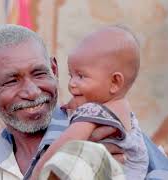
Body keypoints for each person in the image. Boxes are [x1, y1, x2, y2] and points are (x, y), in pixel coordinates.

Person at [0, 24, 168, 180]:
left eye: (39, 73)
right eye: (12, 81)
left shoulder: (103, 126)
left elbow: (167, 173)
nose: (32, 92)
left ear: (55, 70)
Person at [30, 26, 148, 180]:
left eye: (81, 76)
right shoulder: (125, 111)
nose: (72, 83)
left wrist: (36, 174)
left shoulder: (93, 112)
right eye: (71, 75)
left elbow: (61, 148)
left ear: (115, 82)